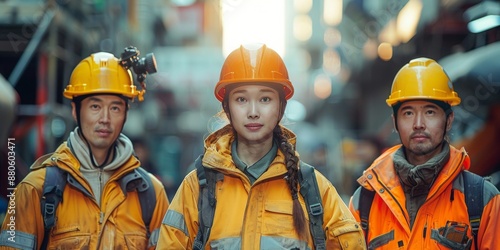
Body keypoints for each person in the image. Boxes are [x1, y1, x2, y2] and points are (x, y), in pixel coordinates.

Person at [157, 44, 366, 249]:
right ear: (227, 108)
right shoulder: (197, 188)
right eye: (241, 99)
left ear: (281, 107)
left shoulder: (314, 190)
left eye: (265, 98)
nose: (253, 111)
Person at [0, 51, 169, 249]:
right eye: (95, 106)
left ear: (125, 113)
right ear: (75, 110)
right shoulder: (36, 189)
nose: (105, 118)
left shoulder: (151, 194)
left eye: (115, 108)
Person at [348, 57, 500, 249]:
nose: (418, 123)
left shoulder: (482, 199)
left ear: (449, 120)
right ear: (395, 122)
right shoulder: (364, 202)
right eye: (408, 113)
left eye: (430, 112)